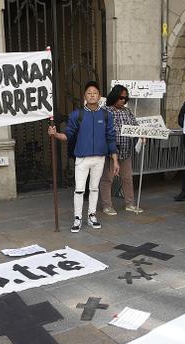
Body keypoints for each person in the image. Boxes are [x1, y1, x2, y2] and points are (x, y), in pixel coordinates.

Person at [48, 81, 118, 233]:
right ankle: (77, 218)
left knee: (94, 189)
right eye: (89, 93)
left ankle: (91, 216)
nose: (92, 95)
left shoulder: (106, 115)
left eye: (95, 92)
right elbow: (67, 135)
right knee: (79, 190)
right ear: (84, 96)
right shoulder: (77, 115)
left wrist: (115, 159)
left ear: (99, 96)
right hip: (82, 159)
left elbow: (111, 137)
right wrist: (55, 134)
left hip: (99, 158)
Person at [100, 84, 143, 215]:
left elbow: (135, 127)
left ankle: (130, 203)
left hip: (125, 151)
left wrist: (141, 135)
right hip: (110, 152)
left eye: (125, 98)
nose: (123, 100)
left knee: (127, 178)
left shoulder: (127, 111)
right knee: (107, 179)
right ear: (114, 96)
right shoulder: (104, 111)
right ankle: (107, 205)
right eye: (120, 98)